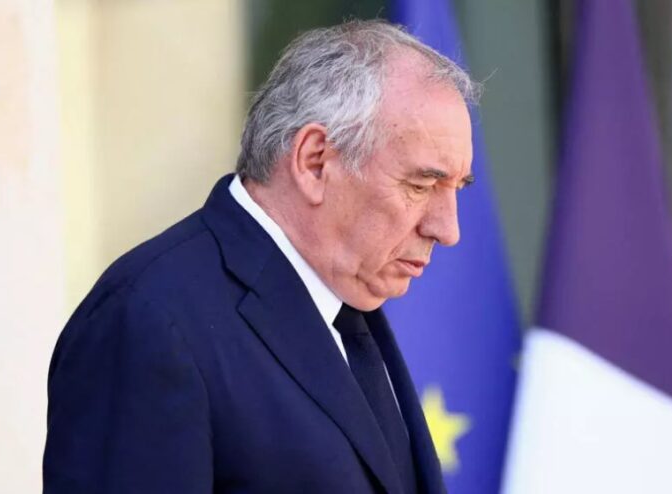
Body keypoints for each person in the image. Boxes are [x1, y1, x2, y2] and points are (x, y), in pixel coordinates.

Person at [43, 19, 477, 494]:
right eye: (421, 185)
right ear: (314, 161)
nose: (448, 230)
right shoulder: (148, 321)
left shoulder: (346, 298)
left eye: (457, 188)